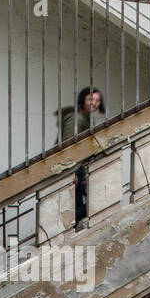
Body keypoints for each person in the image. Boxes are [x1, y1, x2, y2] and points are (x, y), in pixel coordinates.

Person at [59, 87, 105, 227]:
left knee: (82, 204)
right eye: (91, 99)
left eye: (98, 100)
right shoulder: (77, 118)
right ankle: (65, 224)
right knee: (86, 205)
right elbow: (67, 145)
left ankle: (69, 225)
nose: (94, 103)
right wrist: (72, 171)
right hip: (75, 168)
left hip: (80, 167)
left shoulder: (86, 118)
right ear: (82, 100)